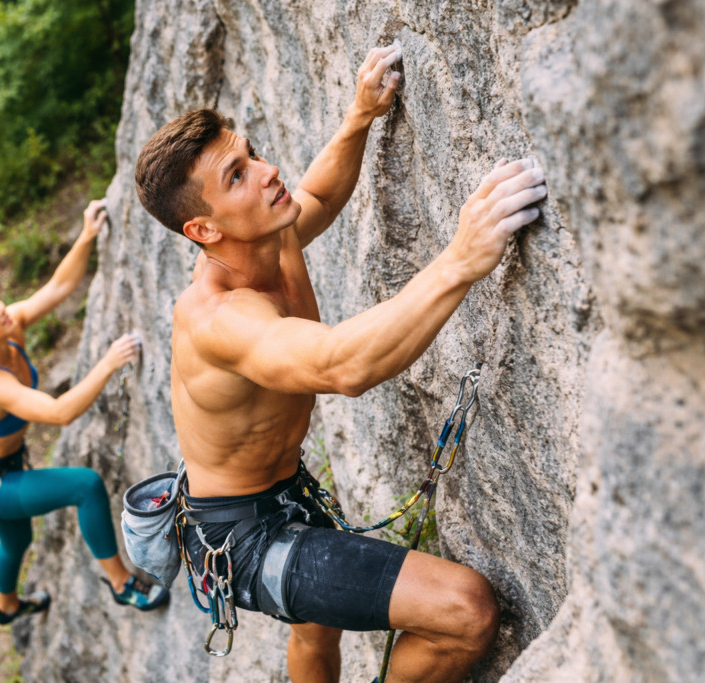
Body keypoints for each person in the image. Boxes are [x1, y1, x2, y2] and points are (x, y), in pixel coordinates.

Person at [134, 42, 547, 683]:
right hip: (244, 541)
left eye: (251, 154)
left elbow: (318, 197)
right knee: (465, 610)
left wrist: (358, 118)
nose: (269, 172)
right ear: (204, 231)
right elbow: (342, 367)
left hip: (277, 492)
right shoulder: (222, 321)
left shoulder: (269, 232)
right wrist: (461, 258)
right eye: (237, 177)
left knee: (316, 635)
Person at [0, 199, 169, 624]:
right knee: (85, 486)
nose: (1, 308)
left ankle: (7, 607)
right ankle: (122, 585)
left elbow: (56, 288)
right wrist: (106, 364)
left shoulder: (8, 328)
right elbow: (59, 412)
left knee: (15, 544)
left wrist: (86, 234)